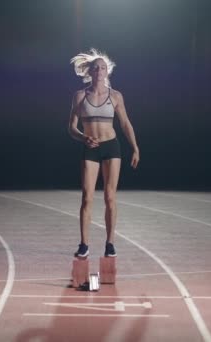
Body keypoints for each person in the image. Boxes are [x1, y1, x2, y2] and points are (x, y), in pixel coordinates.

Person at [68, 48, 140, 258]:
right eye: (95, 67)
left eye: (103, 67)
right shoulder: (80, 96)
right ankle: (84, 245)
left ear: (107, 72)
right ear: (89, 72)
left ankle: (110, 243)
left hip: (111, 147)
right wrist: (83, 137)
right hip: (90, 148)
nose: (99, 70)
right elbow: (71, 127)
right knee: (87, 198)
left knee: (110, 197)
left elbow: (125, 124)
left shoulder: (116, 96)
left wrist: (135, 147)